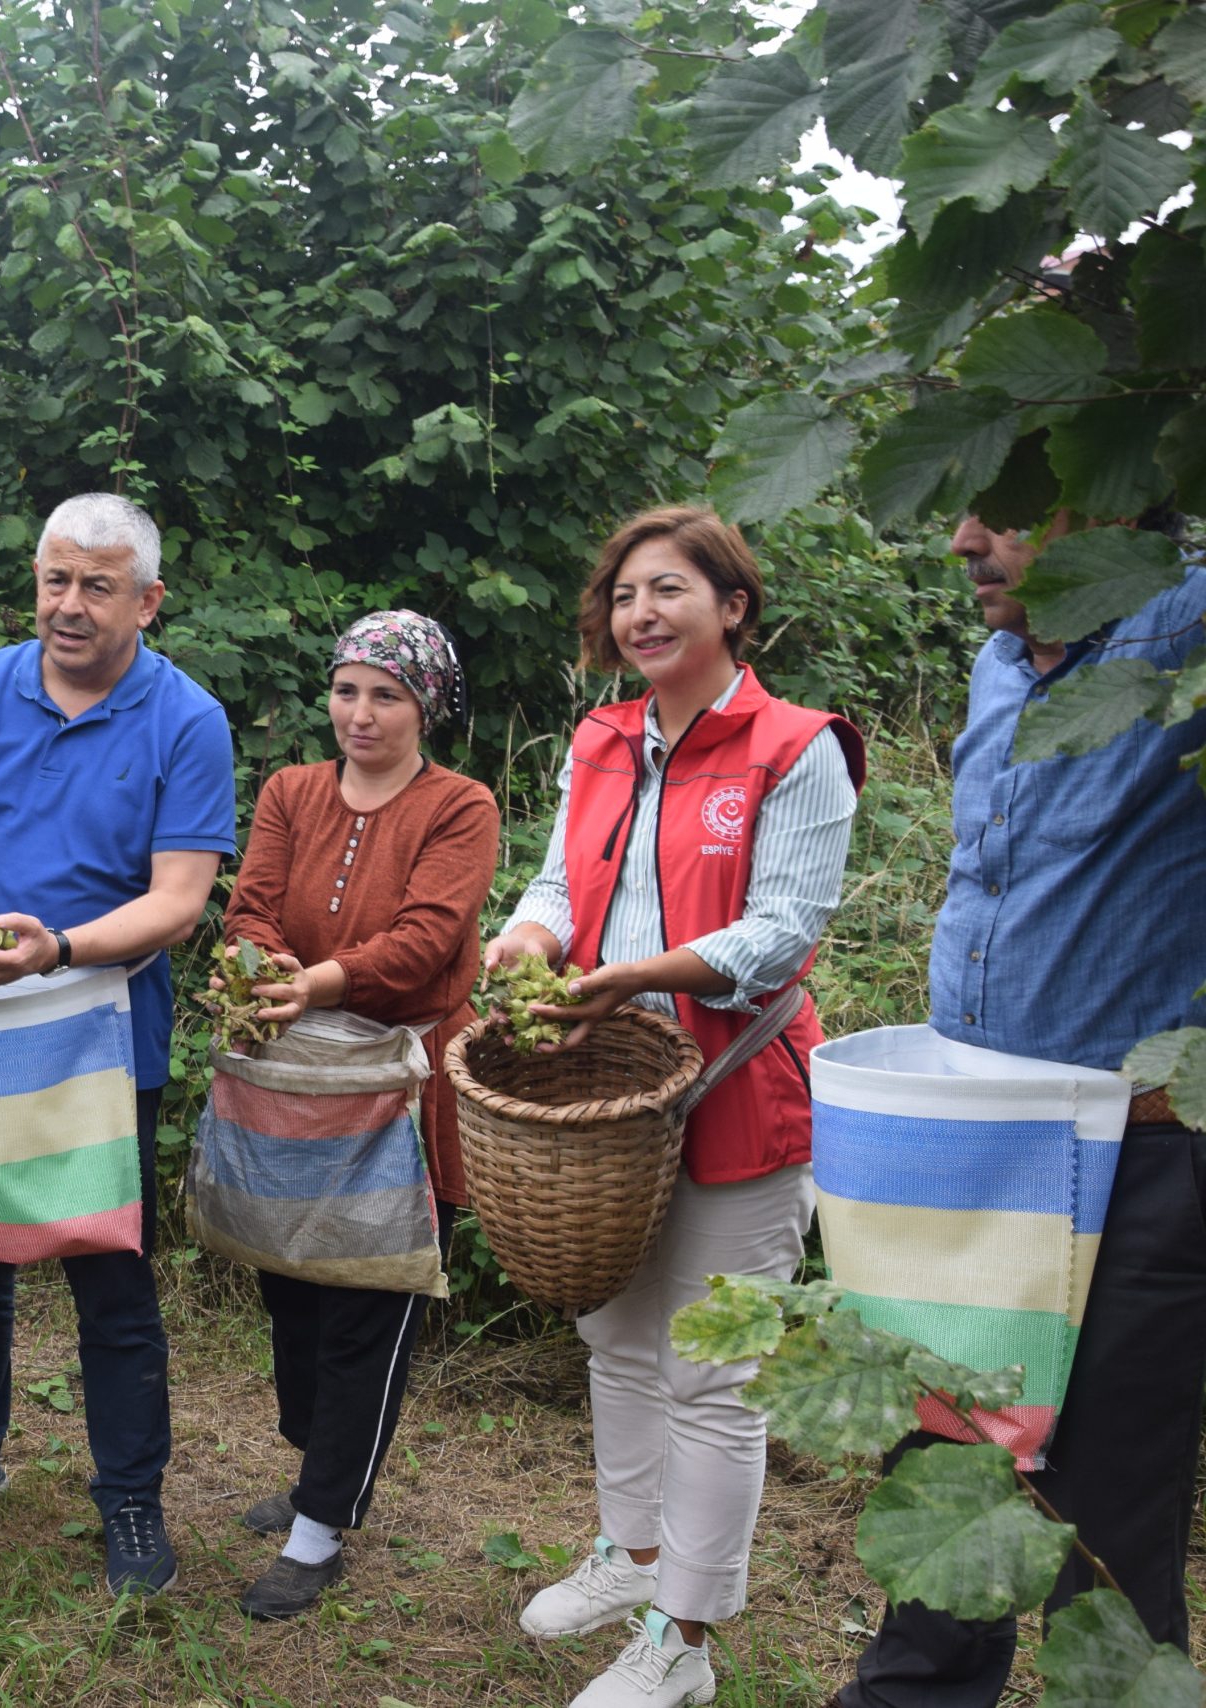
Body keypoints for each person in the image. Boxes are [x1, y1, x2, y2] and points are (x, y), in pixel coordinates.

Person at [480, 506, 863, 1708]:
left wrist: (636, 976)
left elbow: (783, 928)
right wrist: (527, 932)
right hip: (610, 1097)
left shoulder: (795, 746)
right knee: (618, 1340)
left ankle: (680, 1637)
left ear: (731, 607)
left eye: (670, 591)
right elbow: (560, 874)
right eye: (625, 595)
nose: (641, 613)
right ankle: (627, 1553)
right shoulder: (600, 738)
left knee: (714, 1374)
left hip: (738, 1086)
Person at [832, 513, 1206, 1708]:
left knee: (1112, 1505)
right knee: (950, 1453)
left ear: (1106, 495)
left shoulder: (1183, 637)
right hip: (972, 1150)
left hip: (1136, 1157)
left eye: (1001, 509)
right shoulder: (1002, 661)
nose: (958, 542)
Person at [0, 492, 237, 1596]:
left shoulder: (187, 719)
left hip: (97, 1024)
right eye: (54, 579)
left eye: (96, 585)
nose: (68, 605)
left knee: (110, 1278)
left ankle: (130, 1497)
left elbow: (179, 898)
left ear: (148, 599)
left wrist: (59, 949)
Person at [215, 610, 496, 1620]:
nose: (361, 712)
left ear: (425, 705)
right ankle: (315, 1468)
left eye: (386, 694)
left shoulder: (459, 806)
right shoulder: (292, 790)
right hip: (295, 1078)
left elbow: (425, 941)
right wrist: (266, 962)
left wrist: (320, 979)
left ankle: (320, 1526)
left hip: (400, 1084)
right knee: (291, 1285)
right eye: (346, 689)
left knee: (367, 1308)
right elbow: (248, 904)